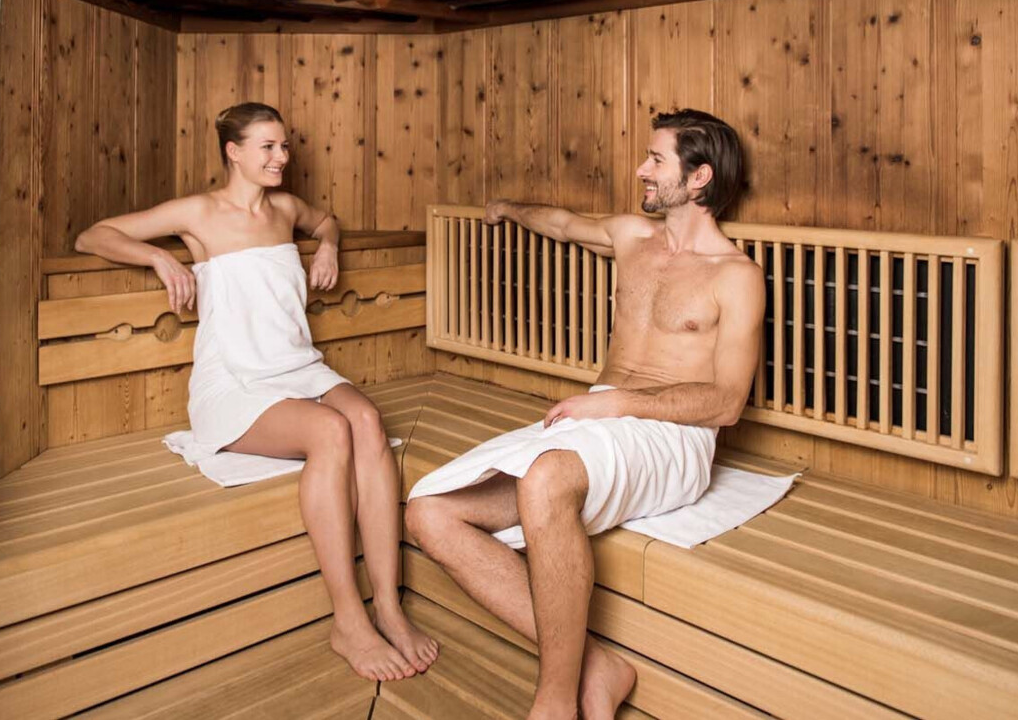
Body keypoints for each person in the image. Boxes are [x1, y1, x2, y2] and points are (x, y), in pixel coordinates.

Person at [404, 109, 765, 720]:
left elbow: (727, 403)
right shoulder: (632, 238)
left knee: (545, 480)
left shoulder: (736, 277)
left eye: (656, 161)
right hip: (596, 424)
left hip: (673, 437)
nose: (641, 170)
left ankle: (554, 702)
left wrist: (617, 403)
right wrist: (507, 208)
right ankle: (599, 667)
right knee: (428, 514)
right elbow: (564, 225)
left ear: (699, 178)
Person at [74, 102, 437, 682]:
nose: (281, 158)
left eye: (286, 147)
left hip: (299, 368)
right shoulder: (198, 212)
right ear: (233, 152)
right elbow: (92, 236)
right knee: (331, 430)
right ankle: (348, 619)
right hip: (235, 381)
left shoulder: (287, 210)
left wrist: (329, 247)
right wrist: (158, 257)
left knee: (366, 420)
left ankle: (388, 607)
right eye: (267, 147)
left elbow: (325, 221)